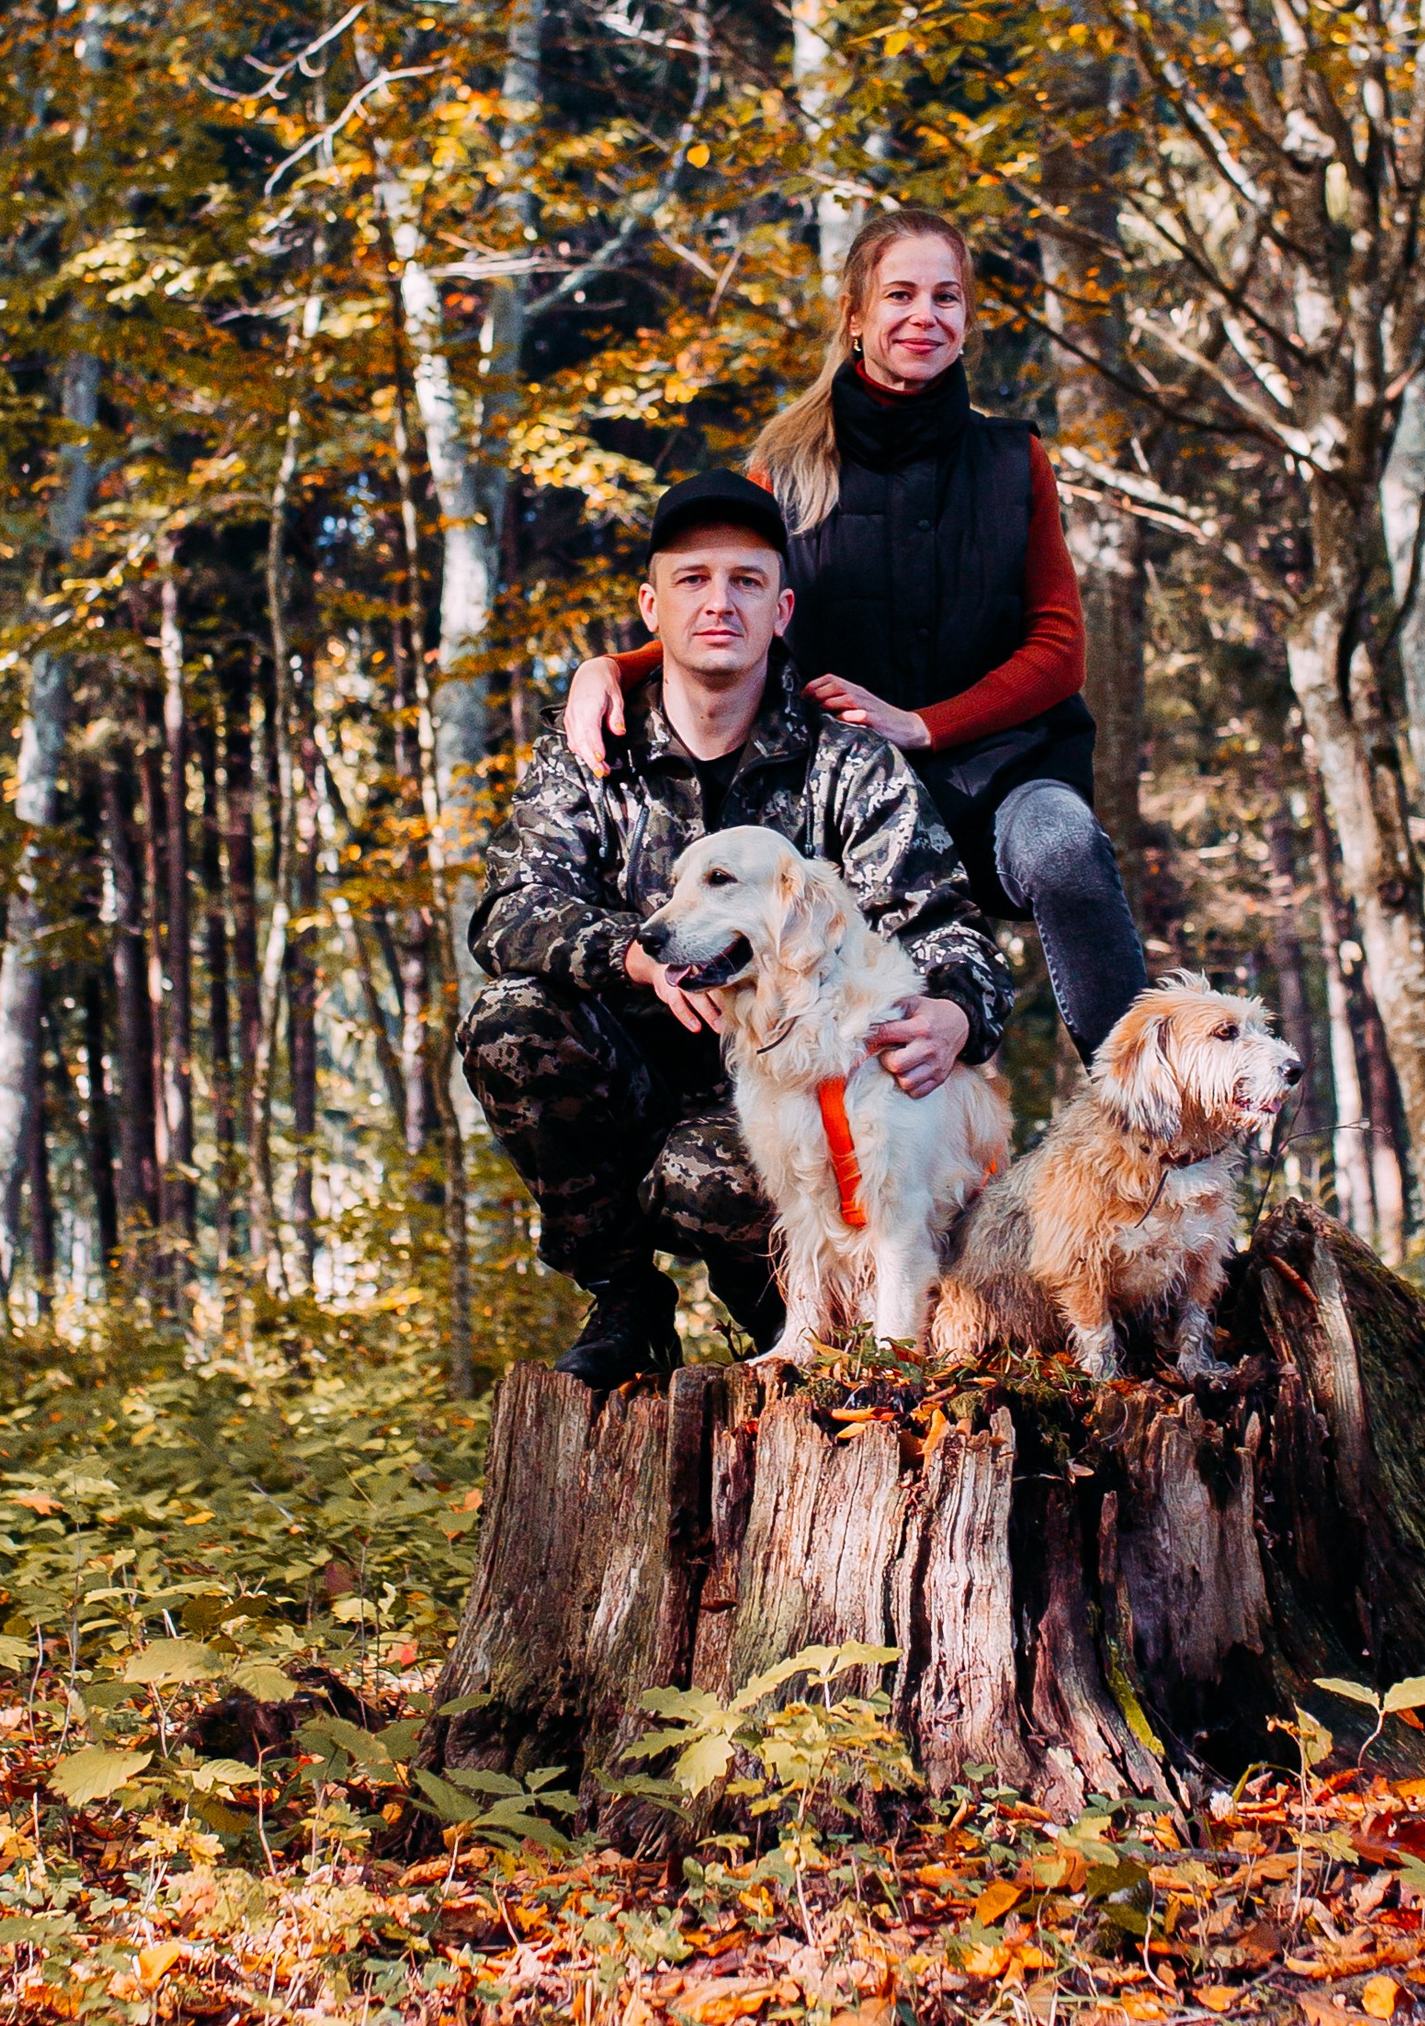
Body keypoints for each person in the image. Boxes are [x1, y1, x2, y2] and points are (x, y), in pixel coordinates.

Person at [462, 469, 1013, 1392]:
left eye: (747, 582)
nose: (719, 602)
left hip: (790, 1095)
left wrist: (956, 1013)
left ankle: (799, 1326)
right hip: (631, 1076)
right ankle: (625, 1301)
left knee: (714, 1185)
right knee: (508, 1017)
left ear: (783, 607)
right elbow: (509, 910)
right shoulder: (592, 754)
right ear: (652, 605)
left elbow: (948, 926)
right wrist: (632, 955)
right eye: (693, 579)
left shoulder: (848, 762)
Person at [564, 212, 1148, 1060]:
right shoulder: (786, 471)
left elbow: (1059, 653)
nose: (925, 316)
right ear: (855, 316)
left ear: (967, 318)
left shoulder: (1013, 462)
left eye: (947, 297)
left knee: (1064, 845)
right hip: (851, 803)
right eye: (900, 294)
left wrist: (925, 724)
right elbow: (733, 611)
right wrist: (612, 665)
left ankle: (1142, 1116)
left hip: (1003, 777)